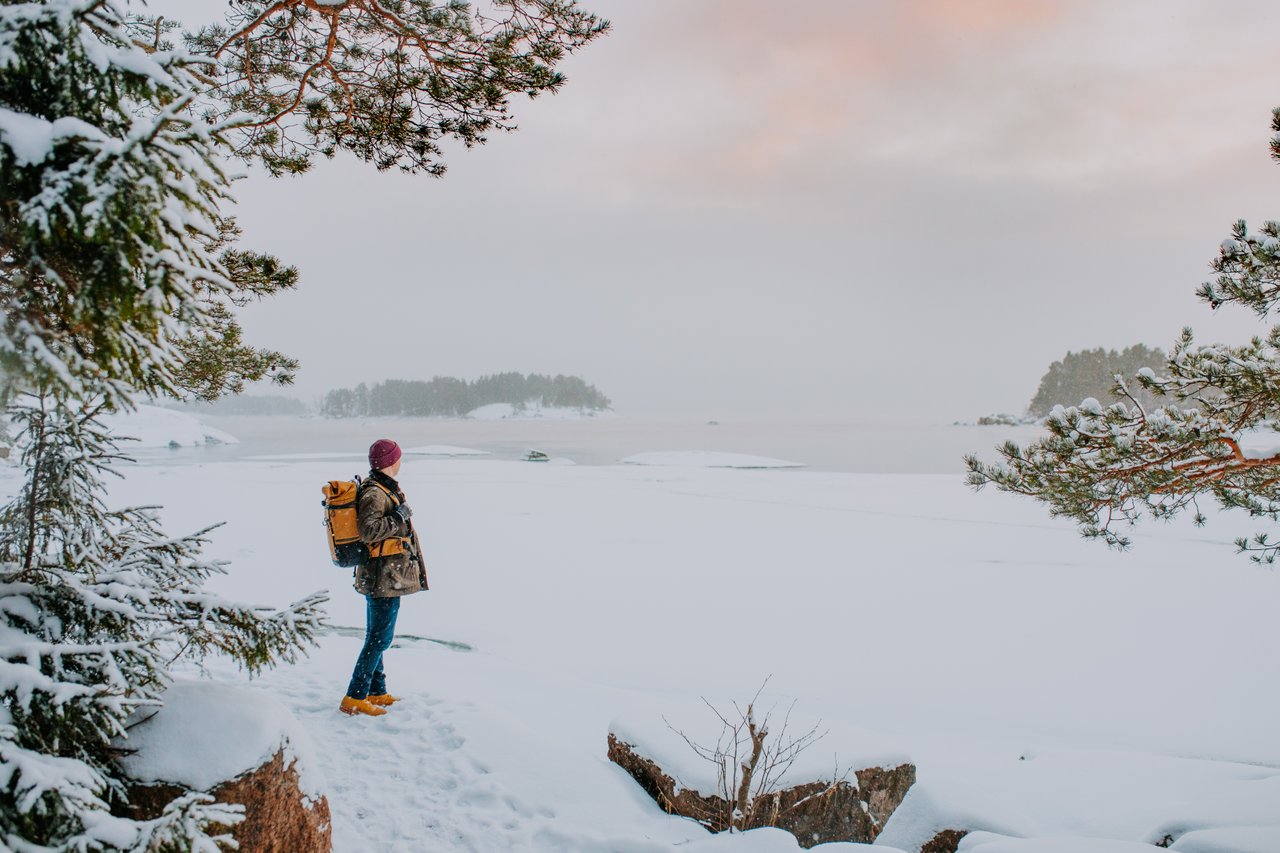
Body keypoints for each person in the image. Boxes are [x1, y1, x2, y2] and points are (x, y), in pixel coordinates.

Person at [339, 438, 428, 717]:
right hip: (383, 578)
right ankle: (355, 696)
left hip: (385, 575)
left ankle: (376, 691)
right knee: (379, 639)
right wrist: (399, 517)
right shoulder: (375, 493)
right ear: (391, 461)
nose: (401, 462)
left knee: (376, 636)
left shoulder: (382, 488)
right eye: (398, 458)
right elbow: (368, 531)